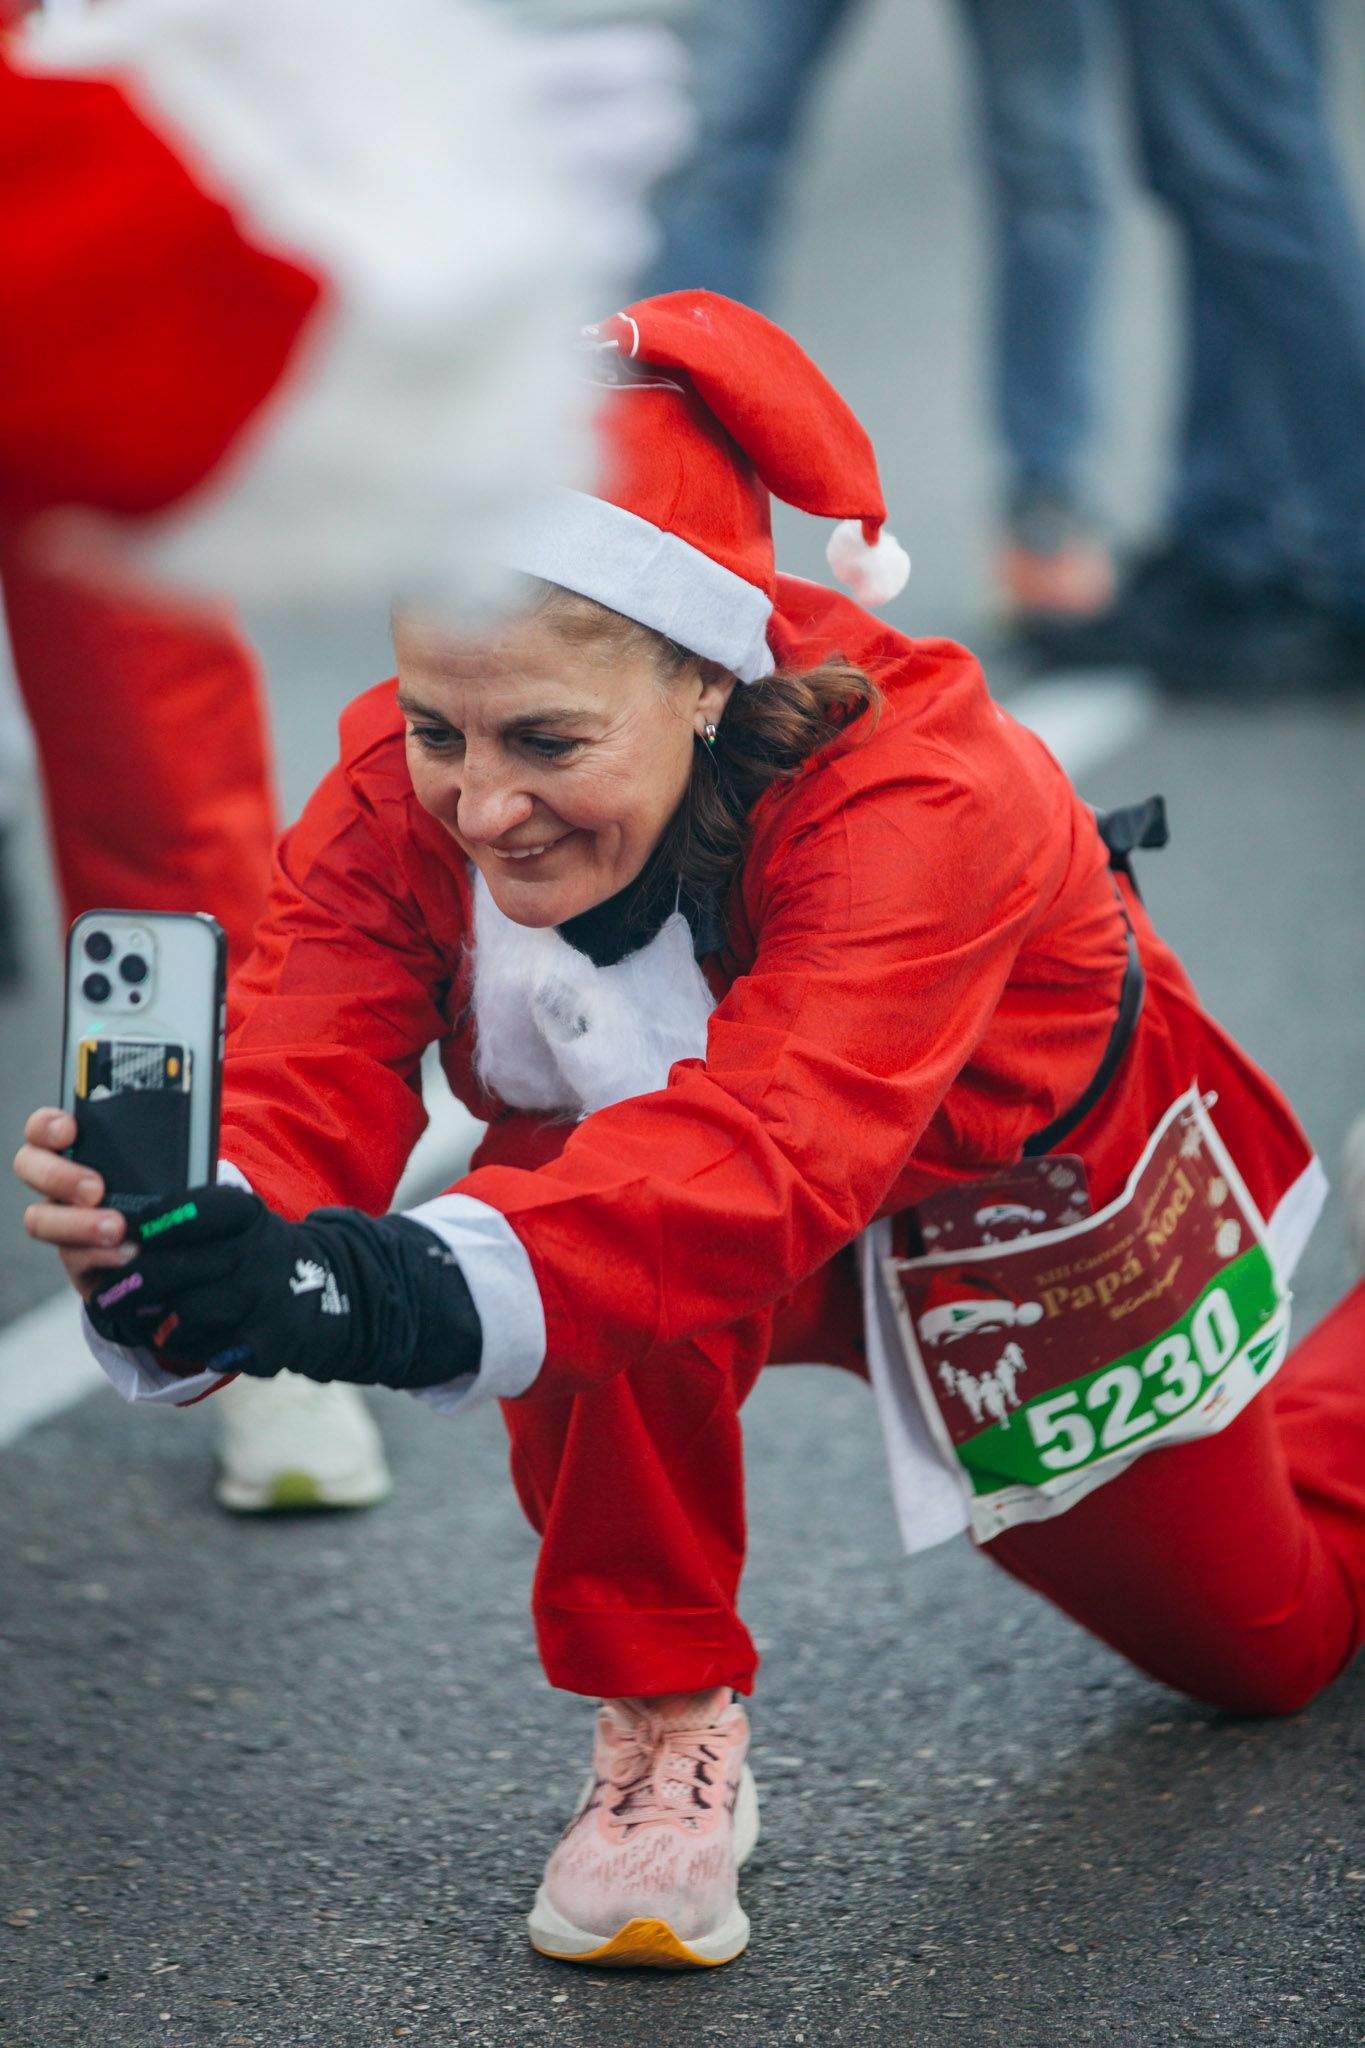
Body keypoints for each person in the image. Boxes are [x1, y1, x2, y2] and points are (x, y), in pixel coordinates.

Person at [15, 295, 1365, 1970]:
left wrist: (366, 1292)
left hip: (1003, 1194)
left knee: (1270, 1647)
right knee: (562, 1210)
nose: (479, 806)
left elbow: (775, 1148)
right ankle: (660, 1729)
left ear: (710, 679)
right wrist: (206, 1238)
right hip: (676, 1200)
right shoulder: (402, 786)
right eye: (438, 727)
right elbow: (308, 1061)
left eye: (544, 743)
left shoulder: (928, 788)